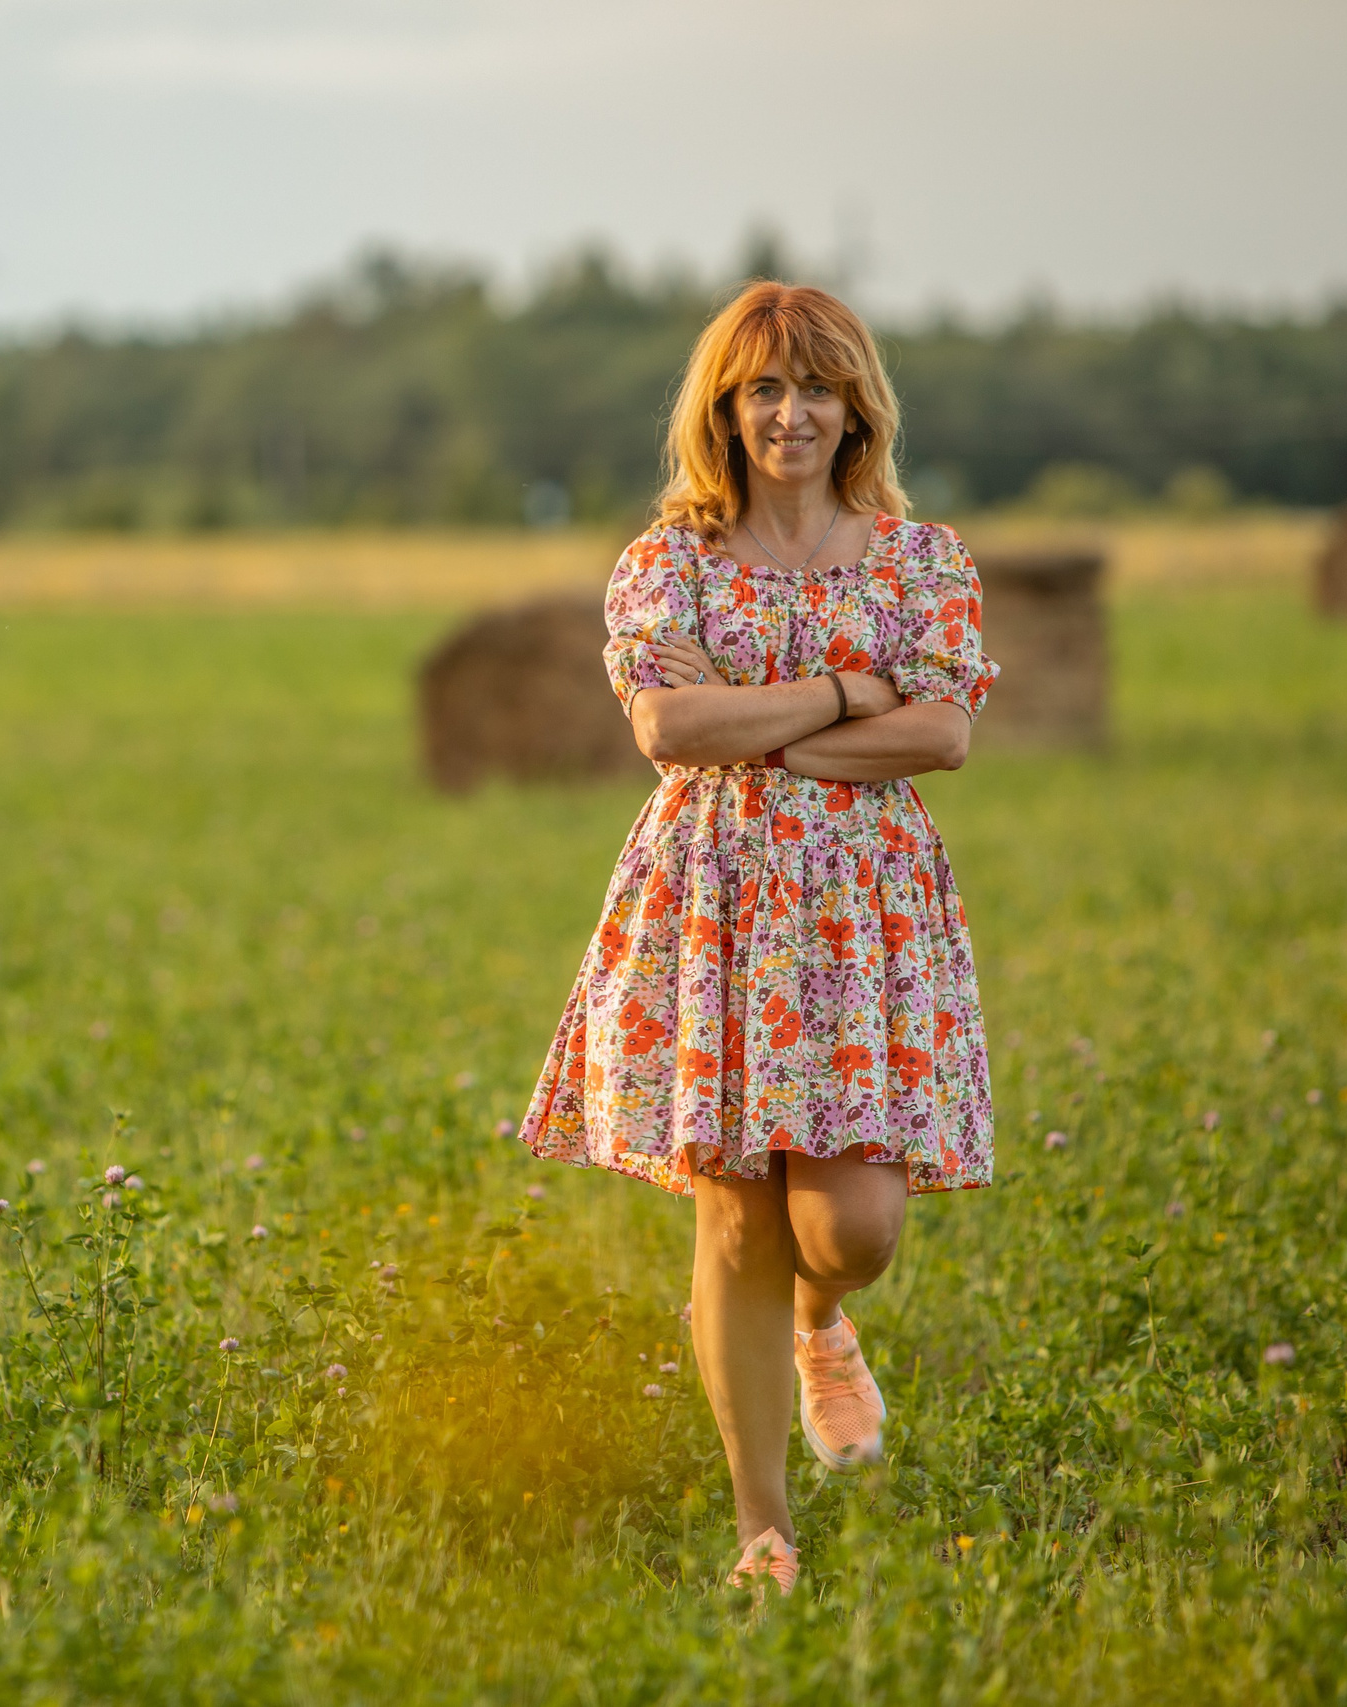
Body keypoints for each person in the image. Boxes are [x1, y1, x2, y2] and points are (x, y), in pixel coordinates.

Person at [516, 280, 998, 1597]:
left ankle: (820, 1317)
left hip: (860, 915)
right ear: (723, 410)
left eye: (818, 388)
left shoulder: (920, 561)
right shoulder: (666, 563)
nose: (792, 413)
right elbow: (668, 730)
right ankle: (762, 1536)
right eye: (764, 389)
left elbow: (943, 732)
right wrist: (849, 691)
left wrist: (755, 723)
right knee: (736, 1221)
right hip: (714, 901)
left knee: (853, 1230)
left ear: (858, 407)